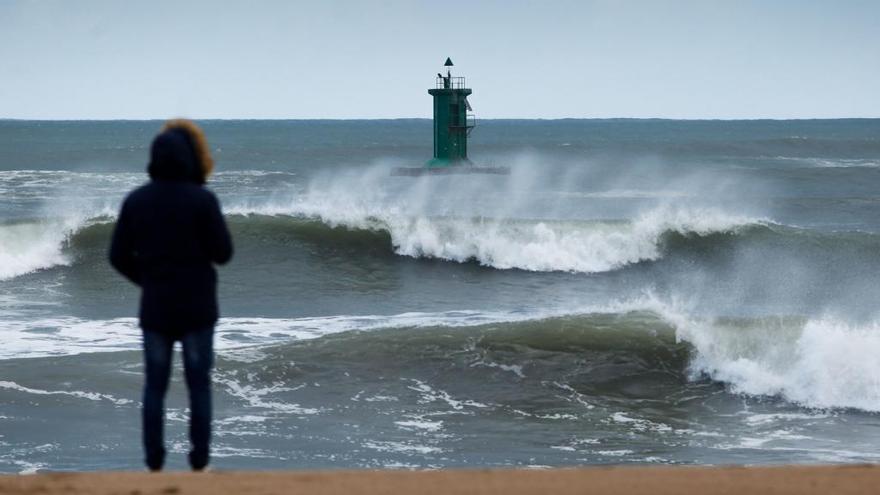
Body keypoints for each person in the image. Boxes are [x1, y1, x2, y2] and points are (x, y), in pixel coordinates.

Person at [109, 119, 233, 472]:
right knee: (199, 387)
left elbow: (117, 256)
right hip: (197, 307)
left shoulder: (136, 200)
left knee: (155, 388)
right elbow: (223, 253)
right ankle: (199, 463)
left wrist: (147, 281)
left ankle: (153, 463)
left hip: (157, 307)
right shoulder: (202, 200)